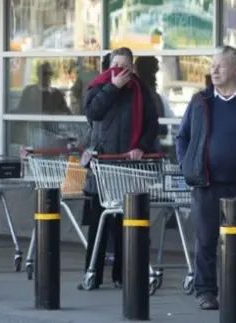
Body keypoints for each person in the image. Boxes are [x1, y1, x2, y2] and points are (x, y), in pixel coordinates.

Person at [176, 46, 236, 310]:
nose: (214, 70)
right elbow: (182, 136)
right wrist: (187, 166)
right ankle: (206, 291)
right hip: (208, 182)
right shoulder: (200, 101)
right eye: (212, 65)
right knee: (206, 238)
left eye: (220, 65)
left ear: (235, 69)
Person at [80, 47, 159, 290]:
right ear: (109, 67)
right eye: (116, 66)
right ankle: (92, 274)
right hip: (103, 164)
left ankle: (121, 275)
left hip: (128, 165)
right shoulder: (99, 86)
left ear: (132, 68)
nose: (121, 71)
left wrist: (142, 147)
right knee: (98, 222)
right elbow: (92, 113)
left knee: (125, 222)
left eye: (126, 66)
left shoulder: (141, 90)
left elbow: (151, 124)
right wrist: (112, 87)